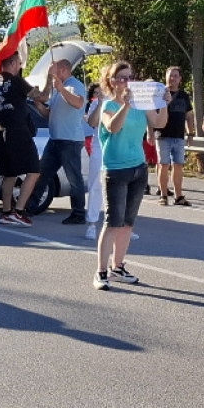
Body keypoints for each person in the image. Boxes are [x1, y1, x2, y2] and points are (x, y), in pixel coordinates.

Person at [93, 62, 169, 290]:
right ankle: (101, 272)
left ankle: (118, 267)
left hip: (138, 168)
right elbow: (112, 127)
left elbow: (159, 122)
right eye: (123, 78)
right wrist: (125, 105)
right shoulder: (108, 105)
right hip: (115, 170)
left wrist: (164, 104)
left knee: (127, 224)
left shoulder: (141, 105)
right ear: (112, 82)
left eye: (131, 77)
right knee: (113, 223)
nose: (128, 81)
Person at [0, 51, 50, 227]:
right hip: (18, 132)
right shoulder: (16, 80)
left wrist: (3, 112)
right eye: (19, 63)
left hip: (1, 132)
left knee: (9, 174)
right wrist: (50, 80)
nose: (20, 66)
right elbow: (42, 97)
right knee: (34, 170)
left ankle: (5, 212)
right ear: (11, 63)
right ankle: (18, 212)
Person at [26, 59, 87, 224]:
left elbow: (78, 102)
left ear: (63, 70)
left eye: (53, 70)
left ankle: (79, 213)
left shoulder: (74, 85)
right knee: (42, 174)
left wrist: (61, 89)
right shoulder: (58, 88)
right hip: (55, 139)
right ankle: (29, 208)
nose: (51, 74)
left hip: (70, 140)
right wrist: (38, 104)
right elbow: (49, 114)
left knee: (74, 179)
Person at [153, 66, 195, 206]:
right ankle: (163, 195)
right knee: (163, 165)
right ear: (166, 77)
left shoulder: (184, 95)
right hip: (163, 135)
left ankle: (178, 196)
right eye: (171, 75)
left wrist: (190, 133)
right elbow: (152, 113)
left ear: (180, 79)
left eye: (176, 76)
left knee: (178, 166)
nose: (173, 78)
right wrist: (150, 132)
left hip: (179, 136)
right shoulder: (159, 94)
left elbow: (189, 116)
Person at [83, 84, 103, 240]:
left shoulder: (127, 99)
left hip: (120, 150)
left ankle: (124, 225)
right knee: (95, 186)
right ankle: (91, 224)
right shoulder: (97, 101)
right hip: (100, 149)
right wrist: (101, 102)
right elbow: (92, 122)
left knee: (123, 190)